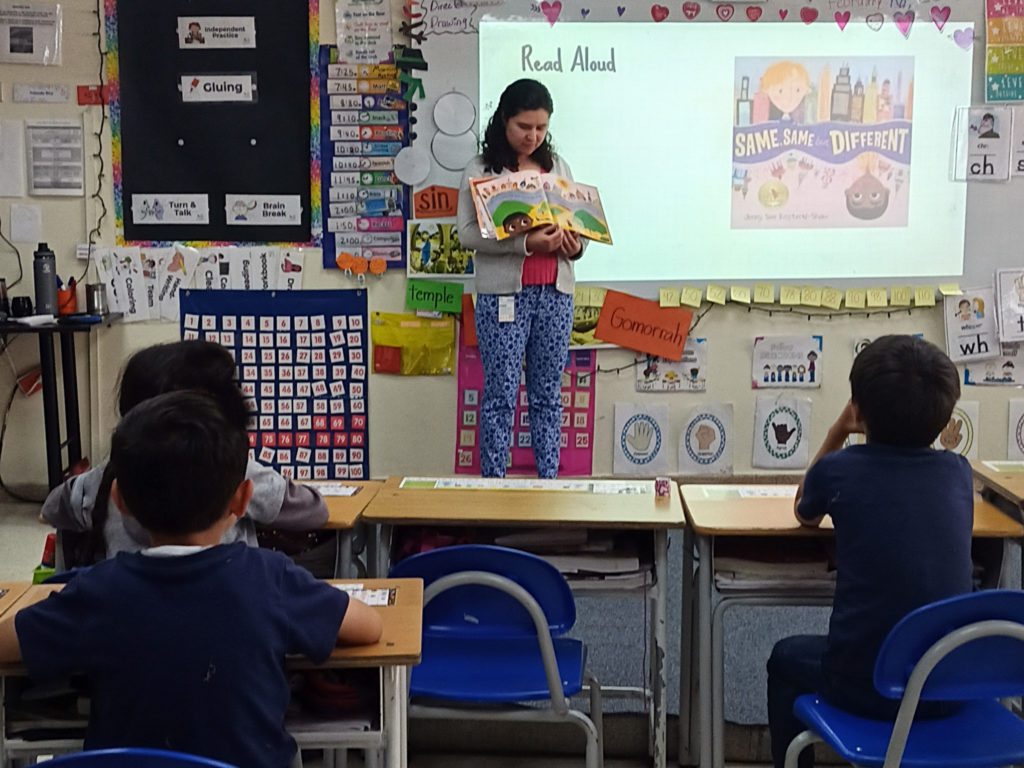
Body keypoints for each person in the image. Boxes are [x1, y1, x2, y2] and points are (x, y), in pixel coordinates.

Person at [0, 391, 383, 768]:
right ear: (243, 498)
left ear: (119, 500)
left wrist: (46, 601)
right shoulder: (270, 578)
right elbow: (370, 626)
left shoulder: (97, 591)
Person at [767, 334, 973, 768]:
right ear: (944, 417)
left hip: (868, 688)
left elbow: (804, 513)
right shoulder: (958, 473)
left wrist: (838, 430)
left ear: (859, 409)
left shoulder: (840, 469)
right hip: (951, 688)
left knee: (786, 659)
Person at [40, 340, 328, 565]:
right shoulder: (234, 469)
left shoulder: (108, 475)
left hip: (126, 617)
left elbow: (53, 508)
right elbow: (314, 511)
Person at [456, 78, 585, 478]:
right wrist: (526, 244)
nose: (532, 136)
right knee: (500, 395)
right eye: (523, 127)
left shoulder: (557, 166)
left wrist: (574, 245)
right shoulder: (482, 169)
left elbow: (577, 225)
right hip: (503, 297)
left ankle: (549, 483)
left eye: (541, 128)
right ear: (504, 120)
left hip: (556, 294)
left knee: (548, 394)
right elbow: (466, 234)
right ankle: (493, 486)